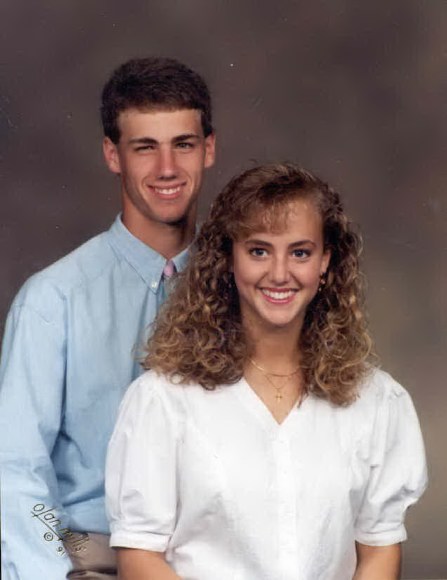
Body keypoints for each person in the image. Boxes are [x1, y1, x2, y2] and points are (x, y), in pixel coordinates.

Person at [106, 163, 427, 580]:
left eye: (300, 252)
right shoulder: (162, 400)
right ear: (229, 258)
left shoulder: (377, 402)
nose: (279, 273)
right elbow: (139, 556)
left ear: (325, 261)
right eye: (259, 251)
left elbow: (379, 550)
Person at [0, 57, 216, 579]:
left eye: (183, 144)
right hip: (93, 559)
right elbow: (15, 473)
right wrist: (55, 568)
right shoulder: (53, 301)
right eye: (145, 147)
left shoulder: (248, 288)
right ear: (112, 155)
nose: (167, 168)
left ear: (209, 149)